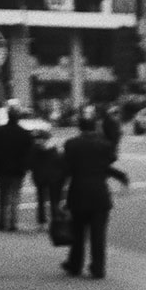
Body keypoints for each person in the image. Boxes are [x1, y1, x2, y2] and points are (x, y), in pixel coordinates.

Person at [60, 113, 129, 278]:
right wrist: (121, 176)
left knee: (78, 231)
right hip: (99, 193)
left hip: (78, 192)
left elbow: (66, 169)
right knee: (98, 234)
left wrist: (60, 194)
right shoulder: (104, 145)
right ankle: (98, 268)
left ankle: (75, 264)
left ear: (79, 127)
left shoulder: (71, 144)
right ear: (95, 127)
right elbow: (107, 164)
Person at [0, 104, 34, 232]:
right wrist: (26, 166)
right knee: (15, 196)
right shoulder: (24, 133)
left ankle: (2, 221)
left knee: (3, 196)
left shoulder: (0, 132)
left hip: (2, 168)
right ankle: (13, 222)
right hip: (18, 169)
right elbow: (29, 152)